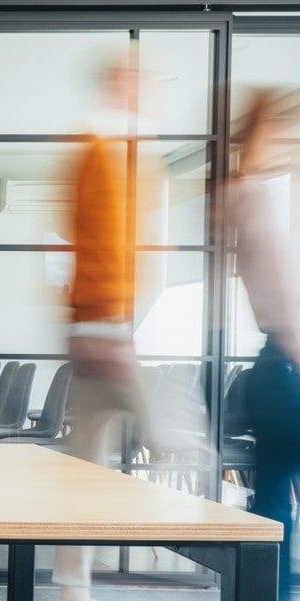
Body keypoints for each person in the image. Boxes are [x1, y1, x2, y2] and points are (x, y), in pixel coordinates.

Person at [52, 42, 170, 601]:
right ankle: (223, 552)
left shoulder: (125, 145)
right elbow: (98, 243)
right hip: (105, 326)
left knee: (89, 458)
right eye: (138, 76)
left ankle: (73, 577)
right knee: (177, 438)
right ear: (117, 81)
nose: (146, 85)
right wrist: (105, 327)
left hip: (105, 324)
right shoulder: (103, 148)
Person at [225, 89, 300, 601]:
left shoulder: (242, 197)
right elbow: (286, 309)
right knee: (274, 495)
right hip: (286, 365)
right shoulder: (254, 200)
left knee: (274, 493)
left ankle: (265, 592)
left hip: (272, 369)